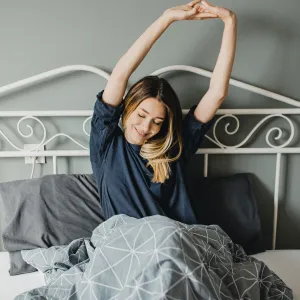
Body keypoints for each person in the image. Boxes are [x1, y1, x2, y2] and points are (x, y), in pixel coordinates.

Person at [90, 0, 237, 224]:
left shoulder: (175, 148)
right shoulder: (106, 143)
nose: (146, 127)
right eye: (141, 115)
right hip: (125, 248)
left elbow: (217, 94)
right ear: (127, 108)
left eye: (157, 121)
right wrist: (166, 18)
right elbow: (120, 74)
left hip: (174, 243)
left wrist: (229, 21)